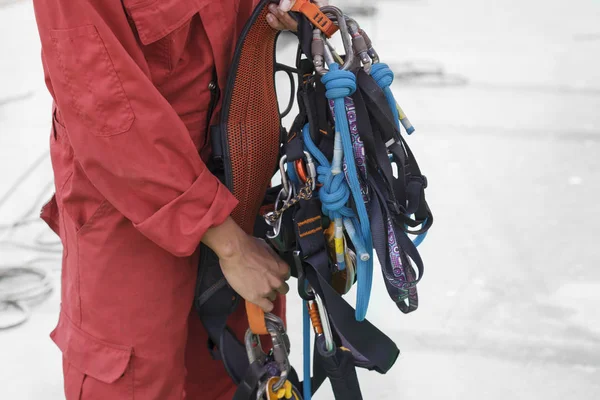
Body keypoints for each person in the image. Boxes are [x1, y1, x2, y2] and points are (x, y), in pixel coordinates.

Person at [32, 0, 320, 398]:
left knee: (235, 371)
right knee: (138, 380)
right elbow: (106, 111)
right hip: (129, 212)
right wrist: (231, 245)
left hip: (239, 177)